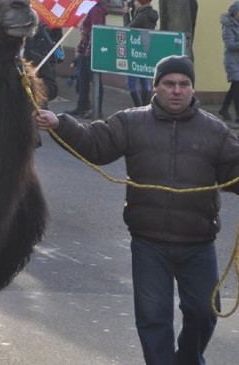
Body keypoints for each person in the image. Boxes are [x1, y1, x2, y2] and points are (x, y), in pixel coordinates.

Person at [34, 55, 239, 365]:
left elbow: (232, 174)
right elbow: (95, 145)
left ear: (193, 90)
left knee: (203, 313)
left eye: (184, 84)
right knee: (153, 318)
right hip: (149, 242)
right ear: (155, 87)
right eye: (169, 83)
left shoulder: (216, 131)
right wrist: (59, 123)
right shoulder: (131, 122)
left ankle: (188, 359)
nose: (176, 90)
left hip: (199, 243)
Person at [66, 0, 107, 117]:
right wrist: (79, 49)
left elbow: (96, 32)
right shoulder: (90, 8)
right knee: (82, 79)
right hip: (85, 48)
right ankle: (82, 106)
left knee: (95, 80)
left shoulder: (96, 10)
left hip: (92, 50)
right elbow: (85, 32)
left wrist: (89, 50)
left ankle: (97, 110)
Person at [126, 0, 159, 106]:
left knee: (131, 82)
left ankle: (139, 107)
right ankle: (146, 106)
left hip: (136, 49)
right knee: (144, 80)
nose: (133, 3)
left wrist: (126, 13)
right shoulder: (150, 14)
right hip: (146, 48)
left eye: (135, 1)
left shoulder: (141, 16)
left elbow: (128, 29)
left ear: (140, 2)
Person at [219, 0, 239, 122]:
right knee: (237, 88)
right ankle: (238, 115)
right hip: (232, 61)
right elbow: (230, 45)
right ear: (235, 13)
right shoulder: (228, 26)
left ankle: (224, 109)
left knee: (234, 88)